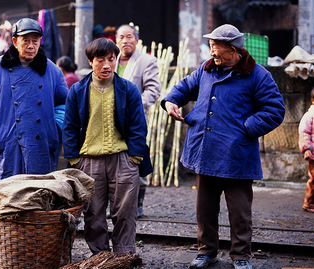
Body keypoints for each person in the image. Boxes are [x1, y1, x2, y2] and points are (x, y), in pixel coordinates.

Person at [161, 24, 285, 269]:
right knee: (205, 209)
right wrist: (171, 101)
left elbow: (275, 110)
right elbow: (183, 87)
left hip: (236, 154)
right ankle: (207, 251)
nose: (212, 53)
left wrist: (245, 129)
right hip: (205, 150)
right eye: (210, 47)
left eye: (215, 48)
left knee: (240, 213)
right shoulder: (206, 70)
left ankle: (240, 256)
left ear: (232, 50)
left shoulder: (257, 75)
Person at [0, 17, 68, 268]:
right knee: (6, 199)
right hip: (7, 145)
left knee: (38, 198)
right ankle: (0, 249)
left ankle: (36, 249)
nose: (31, 45)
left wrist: (55, 126)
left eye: (36, 40)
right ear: (14, 41)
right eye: (26, 40)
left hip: (41, 145)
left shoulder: (53, 71)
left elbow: (63, 104)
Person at [63, 38, 152, 255]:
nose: (106, 65)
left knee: (125, 211)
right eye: (100, 60)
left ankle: (123, 255)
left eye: (111, 59)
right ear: (90, 61)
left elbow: (139, 126)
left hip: (123, 159)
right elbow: (70, 126)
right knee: (93, 212)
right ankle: (100, 256)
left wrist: (134, 158)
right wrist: (75, 160)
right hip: (88, 162)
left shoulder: (128, 89)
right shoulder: (77, 91)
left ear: (116, 60)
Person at [115, 24, 161, 217]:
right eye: (121, 37)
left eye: (129, 37)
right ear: (116, 40)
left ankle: (138, 203)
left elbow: (153, 90)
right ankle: (119, 203)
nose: (125, 41)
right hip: (113, 121)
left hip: (136, 120)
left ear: (137, 39)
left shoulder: (146, 61)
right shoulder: (112, 60)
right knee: (115, 160)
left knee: (137, 158)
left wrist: (131, 108)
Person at [298, 87, 314, 213]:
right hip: (313, 154)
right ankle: (308, 203)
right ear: (313, 100)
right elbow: (304, 133)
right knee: (313, 180)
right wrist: (306, 149)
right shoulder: (309, 116)